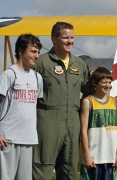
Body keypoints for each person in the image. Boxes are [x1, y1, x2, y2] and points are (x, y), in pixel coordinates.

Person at [32, 22, 89, 180]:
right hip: (46, 122)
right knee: (42, 169)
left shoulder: (80, 65)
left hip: (73, 122)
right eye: (65, 38)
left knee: (70, 170)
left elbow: (89, 93)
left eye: (72, 37)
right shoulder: (41, 63)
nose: (70, 41)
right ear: (54, 39)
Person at [0, 34, 43, 180]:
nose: (36, 56)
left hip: (27, 138)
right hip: (7, 138)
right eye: (32, 51)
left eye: (38, 52)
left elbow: (33, 109)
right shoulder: (9, 75)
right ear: (20, 51)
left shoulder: (37, 77)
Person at [80, 67, 117, 180]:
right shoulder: (87, 101)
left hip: (110, 158)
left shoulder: (116, 102)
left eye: (109, 82)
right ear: (94, 83)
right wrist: (87, 155)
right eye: (103, 82)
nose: (107, 85)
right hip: (93, 158)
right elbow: (83, 130)